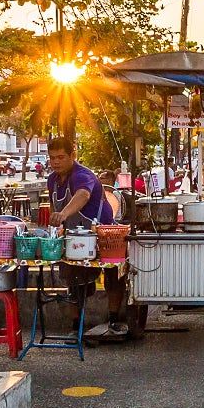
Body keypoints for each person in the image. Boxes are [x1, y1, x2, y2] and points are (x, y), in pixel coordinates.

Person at [46, 136, 130, 339]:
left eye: (61, 157)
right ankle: (77, 327)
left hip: (104, 234)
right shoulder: (52, 180)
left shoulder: (83, 175)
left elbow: (82, 195)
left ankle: (113, 320)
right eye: (52, 158)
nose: (56, 162)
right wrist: (57, 224)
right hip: (74, 237)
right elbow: (53, 207)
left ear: (72, 155)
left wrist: (64, 214)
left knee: (113, 276)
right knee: (74, 281)